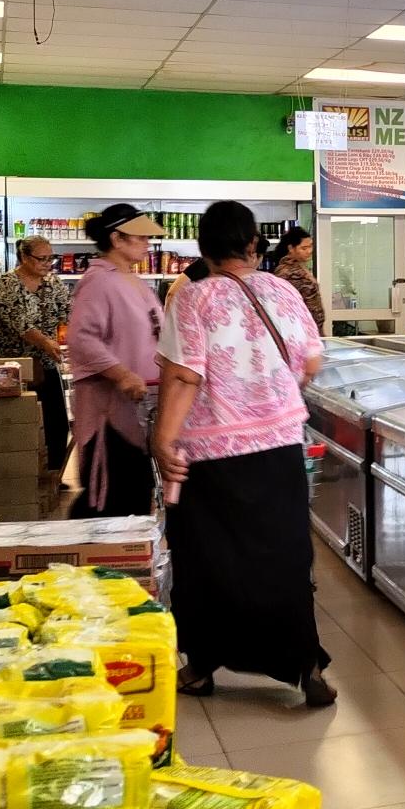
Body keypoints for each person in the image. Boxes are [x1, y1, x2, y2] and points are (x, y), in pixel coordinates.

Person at [152, 200, 331, 704]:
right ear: (254, 243)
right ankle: (306, 666)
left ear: (203, 246)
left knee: (207, 558)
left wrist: (162, 438)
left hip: (213, 454)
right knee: (285, 553)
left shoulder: (194, 297)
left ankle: (202, 666)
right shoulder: (283, 290)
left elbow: (184, 374)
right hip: (280, 447)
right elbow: (312, 361)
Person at [66, 203, 165, 517]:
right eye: (140, 237)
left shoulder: (133, 281)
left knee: (135, 495)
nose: (147, 243)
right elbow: (82, 338)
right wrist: (121, 374)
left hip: (140, 409)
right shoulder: (99, 282)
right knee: (112, 500)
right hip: (109, 413)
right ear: (117, 238)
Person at [0, 235, 71, 472]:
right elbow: (20, 323)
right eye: (41, 258)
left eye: (50, 258)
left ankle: (53, 475)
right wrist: (46, 342)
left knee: (57, 422)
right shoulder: (8, 283)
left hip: (45, 363)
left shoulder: (53, 283)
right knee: (15, 422)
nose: (47, 263)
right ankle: (17, 473)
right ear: (24, 257)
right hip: (11, 366)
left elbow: (68, 312)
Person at [267, 225, 325, 331]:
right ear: (291, 248)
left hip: (310, 328)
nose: (309, 251)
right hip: (301, 329)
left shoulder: (299, 267)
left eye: (310, 246)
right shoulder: (288, 273)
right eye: (304, 248)